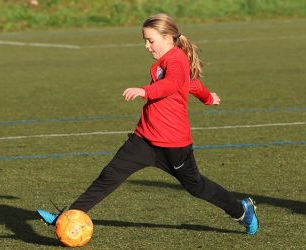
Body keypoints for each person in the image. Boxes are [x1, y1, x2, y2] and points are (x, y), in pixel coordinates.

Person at [37, 13, 258, 235]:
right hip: (144, 139)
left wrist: (145, 91)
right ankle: (66, 218)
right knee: (109, 176)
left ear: (168, 37)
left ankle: (242, 211)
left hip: (173, 145)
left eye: (150, 40)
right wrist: (207, 97)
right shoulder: (163, 63)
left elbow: (172, 84)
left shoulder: (176, 59)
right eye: (145, 40)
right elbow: (190, 83)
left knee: (196, 186)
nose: (146, 46)